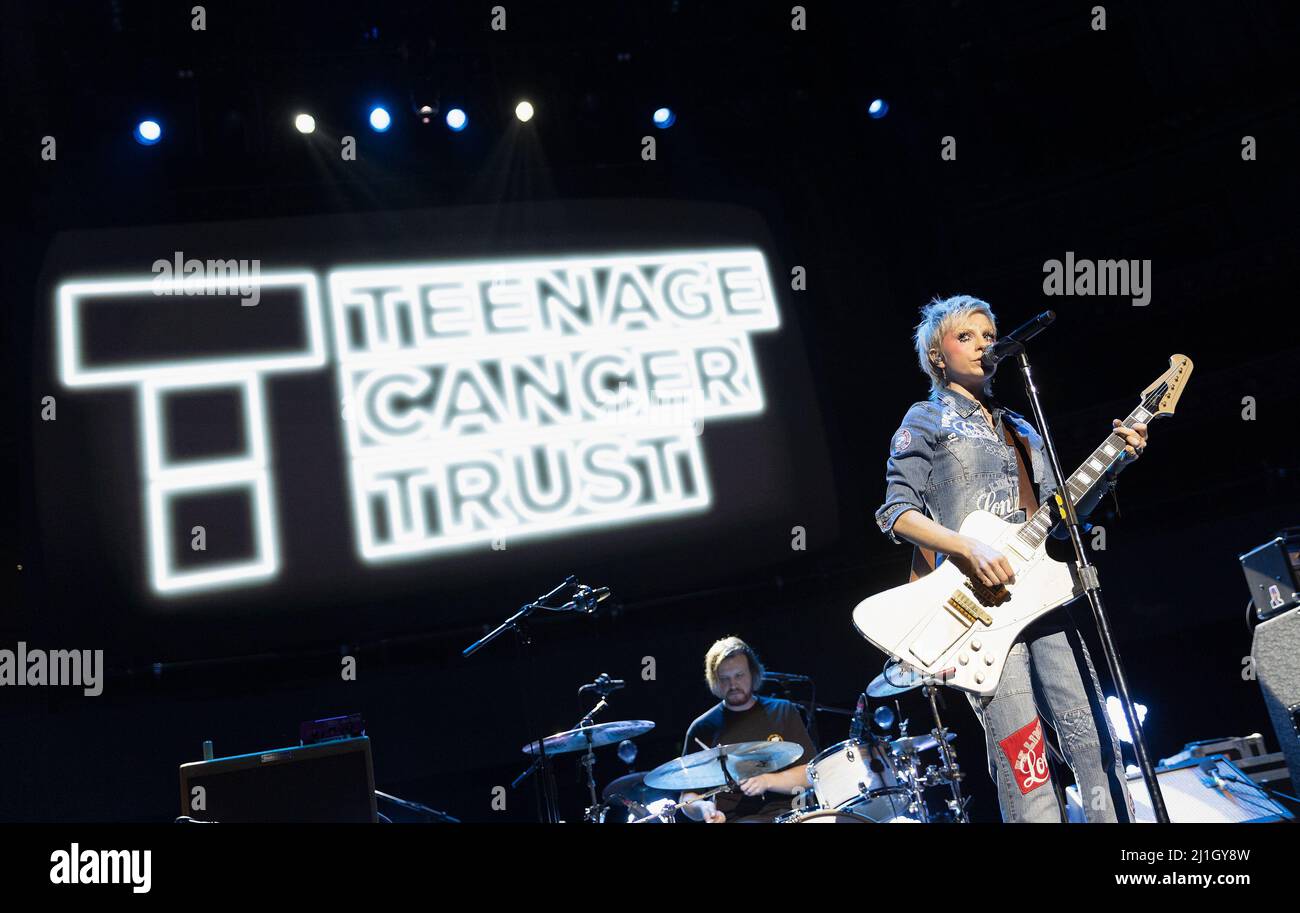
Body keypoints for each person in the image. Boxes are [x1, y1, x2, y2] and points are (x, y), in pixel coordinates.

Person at [873, 295, 1146, 822]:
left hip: (1042, 600)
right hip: (979, 611)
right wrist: (968, 545)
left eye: (990, 335)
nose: (984, 345)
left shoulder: (1021, 426)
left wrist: (1114, 462)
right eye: (967, 336)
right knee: (1027, 763)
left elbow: (1060, 516)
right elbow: (895, 513)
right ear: (937, 354)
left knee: (1095, 744)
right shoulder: (925, 419)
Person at [678, 637, 816, 823]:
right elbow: (687, 796)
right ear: (714, 680)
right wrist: (702, 807)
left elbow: (809, 773)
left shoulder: (783, 711)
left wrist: (768, 781)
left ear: (753, 673)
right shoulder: (702, 728)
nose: (733, 685)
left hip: (790, 813)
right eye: (724, 679)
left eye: (739, 675)